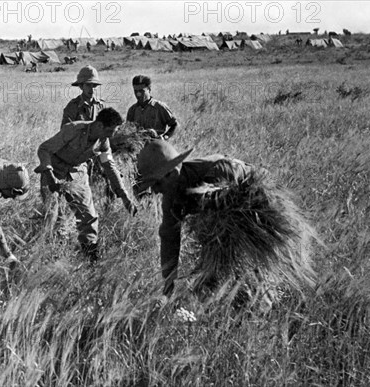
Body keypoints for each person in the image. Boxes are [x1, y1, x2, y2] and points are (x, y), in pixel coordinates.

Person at [135, 140, 315, 306]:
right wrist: (168, 285)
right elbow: (169, 238)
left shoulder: (219, 172)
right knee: (214, 282)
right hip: (221, 230)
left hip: (254, 213)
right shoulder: (171, 197)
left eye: (155, 184)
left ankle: (269, 301)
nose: (155, 191)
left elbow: (229, 231)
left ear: (170, 173)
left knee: (244, 275)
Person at [34, 107, 137, 263]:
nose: (112, 136)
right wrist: (49, 174)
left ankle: (90, 256)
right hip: (55, 170)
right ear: (100, 126)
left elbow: (110, 166)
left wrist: (124, 196)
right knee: (53, 216)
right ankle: (50, 255)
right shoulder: (73, 129)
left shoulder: (103, 142)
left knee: (88, 216)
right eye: (111, 130)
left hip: (77, 173)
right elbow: (44, 149)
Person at [126, 75, 178, 140]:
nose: (138, 94)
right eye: (135, 91)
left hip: (157, 145)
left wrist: (165, 137)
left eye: (141, 91)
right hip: (138, 146)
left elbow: (175, 125)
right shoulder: (132, 110)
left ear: (149, 89)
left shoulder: (159, 107)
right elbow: (128, 130)